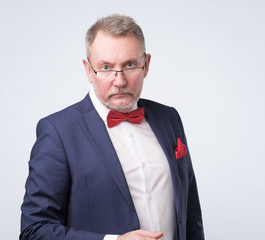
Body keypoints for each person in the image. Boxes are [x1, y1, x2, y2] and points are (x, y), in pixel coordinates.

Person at [20, 14, 205, 240]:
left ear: (146, 65)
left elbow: (190, 213)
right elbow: (35, 230)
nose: (119, 81)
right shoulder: (58, 131)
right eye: (106, 67)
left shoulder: (169, 118)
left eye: (129, 65)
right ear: (88, 70)